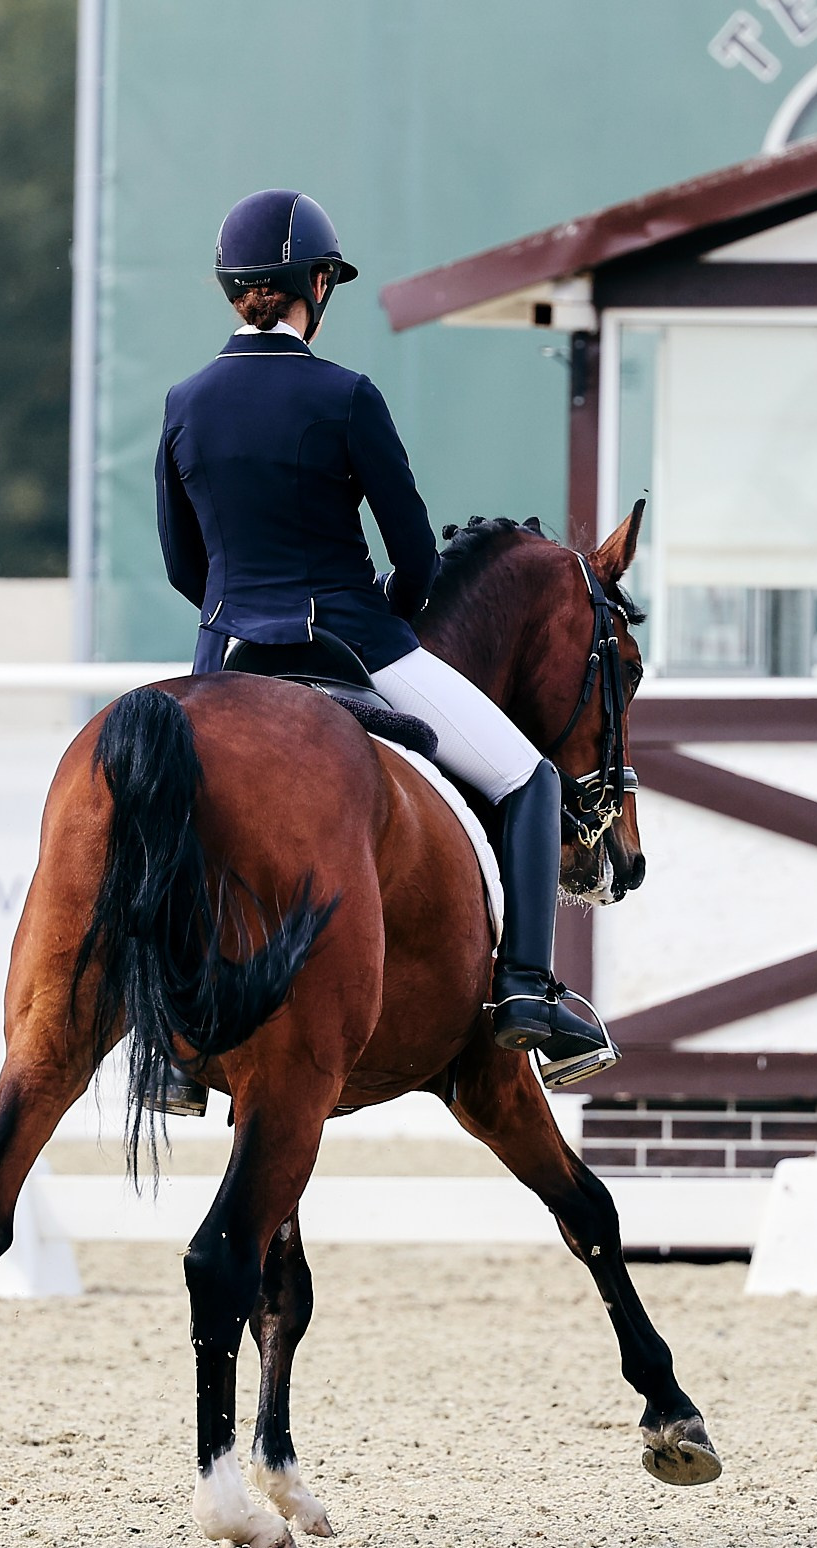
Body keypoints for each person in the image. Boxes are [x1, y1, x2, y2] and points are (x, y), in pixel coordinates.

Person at [155, 187, 614, 1081]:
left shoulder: (185, 402)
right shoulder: (346, 396)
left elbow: (184, 565)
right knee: (529, 778)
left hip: (227, 654)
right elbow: (415, 551)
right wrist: (391, 613)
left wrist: (234, 610)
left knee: (175, 806)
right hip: (356, 640)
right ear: (313, 286)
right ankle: (525, 986)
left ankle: (173, 1039)